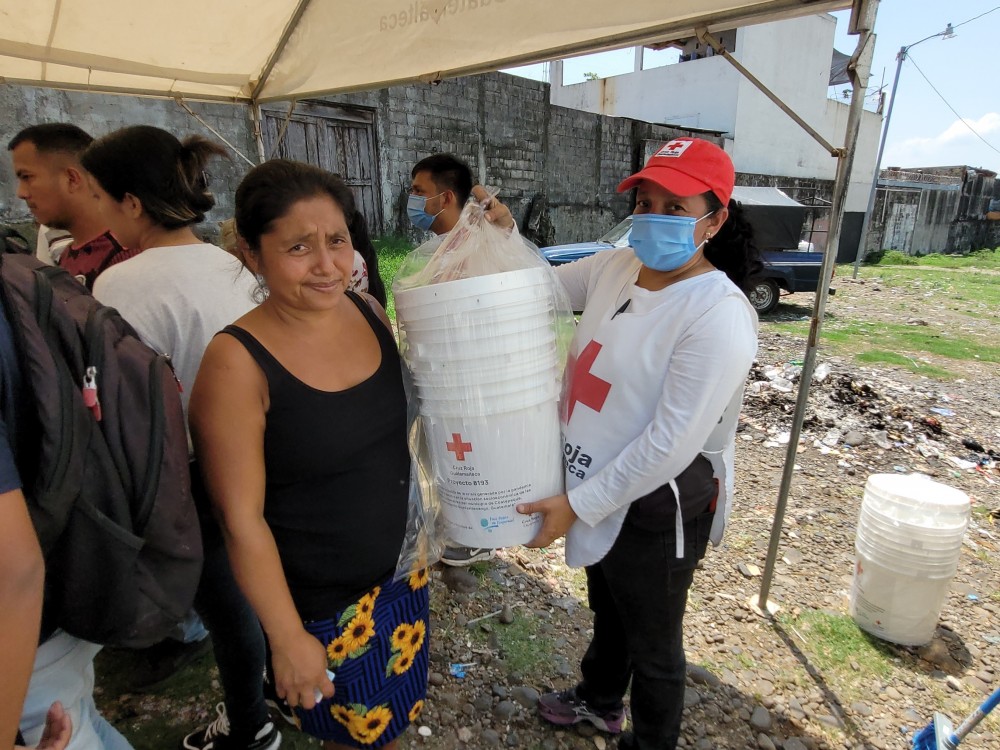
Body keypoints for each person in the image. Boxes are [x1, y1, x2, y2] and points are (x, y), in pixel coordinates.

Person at [513, 137, 761, 750]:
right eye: (646, 201)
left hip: (658, 502)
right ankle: (600, 701)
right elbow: (539, 288)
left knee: (655, 644)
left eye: (676, 208)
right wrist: (500, 237)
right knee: (609, 604)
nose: (654, 218)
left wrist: (577, 506)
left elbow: (670, 444)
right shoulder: (615, 266)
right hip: (594, 477)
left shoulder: (716, 313)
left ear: (716, 218)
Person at [190, 159, 428, 750]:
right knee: (352, 737)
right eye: (299, 246)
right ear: (251, 253)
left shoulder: (368, 312)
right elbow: (239, 520)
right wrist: (286, 635)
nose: (327, 265)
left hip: (400, 574)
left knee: (388, 726)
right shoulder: (235, 363)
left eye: (338, 240)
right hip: (320, 605)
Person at [79, 126, 273, 750]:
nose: (105, 219)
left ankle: (250, 726)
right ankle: (281, 690)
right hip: (265, 449)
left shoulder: (120, 285)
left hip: (192, 467)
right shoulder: (231, 263)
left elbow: (129, 406)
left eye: (106, 203)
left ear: (132, 203)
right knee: (259, 581)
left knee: (226, 603)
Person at [406, 153, 494, 567]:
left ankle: (478, 529)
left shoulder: (481, 243)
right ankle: (453, 518)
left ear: (446, 197)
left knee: (471, 453)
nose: (412, 200)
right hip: (438, 370)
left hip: (469, 374)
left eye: (418, 192)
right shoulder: (438, 248)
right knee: (445, 451)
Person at [7, 124, 139, 289]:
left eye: (27, 177)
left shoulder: (126, 255)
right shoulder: (67, 256)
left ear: (71, 178)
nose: (21, 193)